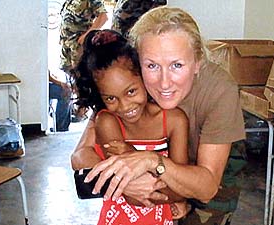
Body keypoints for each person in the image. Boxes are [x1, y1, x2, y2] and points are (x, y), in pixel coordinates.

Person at [72, 6, 246, 225]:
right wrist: (124, 181)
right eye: (152, 65)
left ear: (198, 62)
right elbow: (80, 156)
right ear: (137, 61)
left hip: (211, 165)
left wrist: (151, 161)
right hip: (160, 174)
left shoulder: (219, 90)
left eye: (177, 65)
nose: (164, 83)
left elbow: (207, 187)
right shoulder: (126, 82)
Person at [75, 29, 189, 224]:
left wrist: (131, 152)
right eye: (111, 98)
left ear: (145, 78)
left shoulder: (175, 120)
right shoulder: (107, 121)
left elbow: (183, 186)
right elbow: (133, 196)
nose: (125, 106)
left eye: (131, 91)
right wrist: (173, 191)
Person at [59, 0, 108, 76]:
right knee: (70, 75)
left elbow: (103, 17)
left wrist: (86, 35)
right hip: (67, 45)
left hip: (79, 45)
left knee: (82, 75)